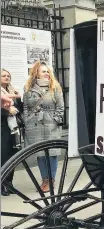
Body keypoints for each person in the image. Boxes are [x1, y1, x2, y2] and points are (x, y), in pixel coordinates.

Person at [23, 60, 64, 192]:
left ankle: (51, 180)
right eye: (43, 71)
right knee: (40, 154)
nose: (46, 73)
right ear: (36, 74)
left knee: (52, 153)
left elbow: (60, 107)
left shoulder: (55, 87)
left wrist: (55, 119)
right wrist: (26, 119)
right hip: (35, 125)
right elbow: (25, 107)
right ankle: (44, 179)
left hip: (50, 124)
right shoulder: (28, 88)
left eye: (48, 71)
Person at [1, 68, 22, 195]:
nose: (7, 77)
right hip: (2, 128)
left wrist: (15, 109)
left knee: (12, 156)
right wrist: (7, 111)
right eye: (3, 75)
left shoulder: (13, 91)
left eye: (8, 75)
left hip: (13, 129)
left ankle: (9, 183)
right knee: (3, 157)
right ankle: (2, 184)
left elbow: (20, 107)